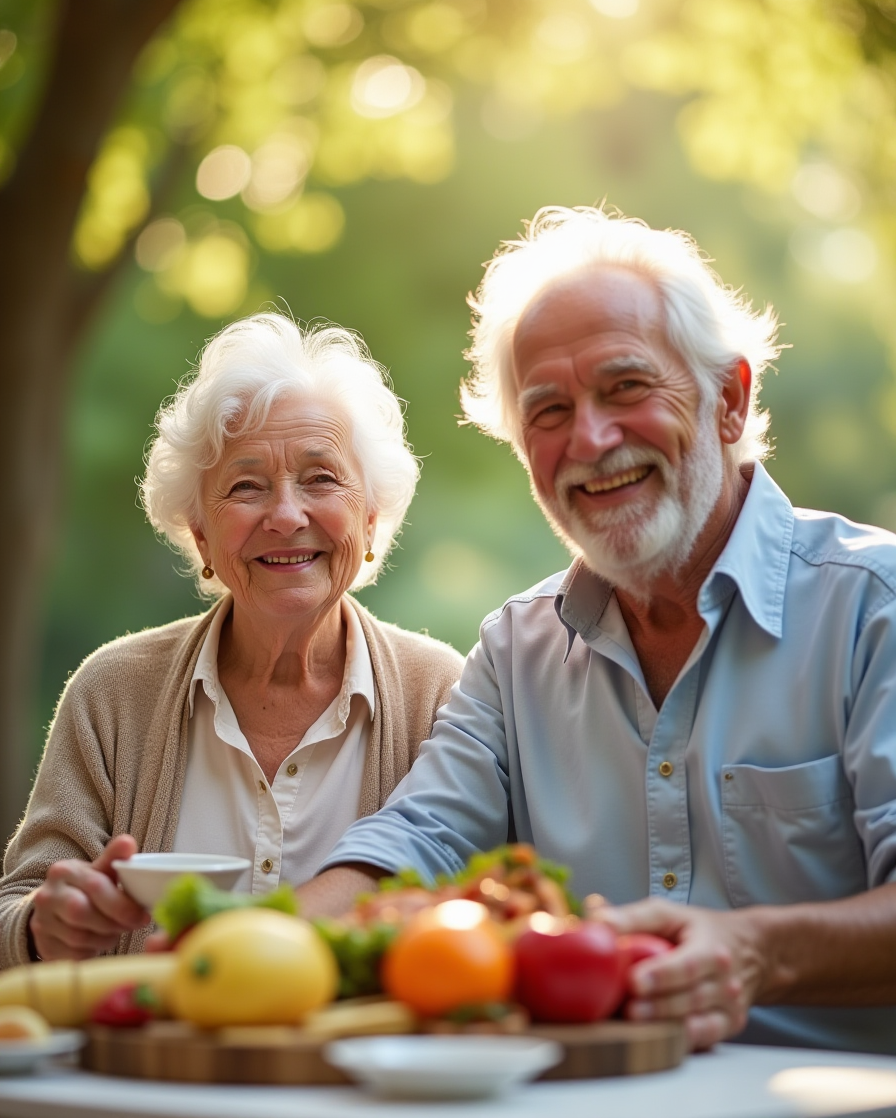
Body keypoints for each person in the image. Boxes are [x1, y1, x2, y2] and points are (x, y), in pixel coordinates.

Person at [297, 206, 896, 1054]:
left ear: (728, 399)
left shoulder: (876, 606)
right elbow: (418, 840)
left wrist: (764, 952)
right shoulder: (515, 649)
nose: (592, 438)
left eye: (626, 387)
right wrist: (265, 939)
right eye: (548, 411)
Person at [0, 313, 462, 967]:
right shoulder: (113, 692)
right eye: (246, 487)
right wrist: (45, 930)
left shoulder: (440, 694)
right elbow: (18, 905)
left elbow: (473, 903)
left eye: (320, 478)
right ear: (200, 537)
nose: (285, 514)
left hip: (362, 1065)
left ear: (369, 518)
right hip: (149, 1067)